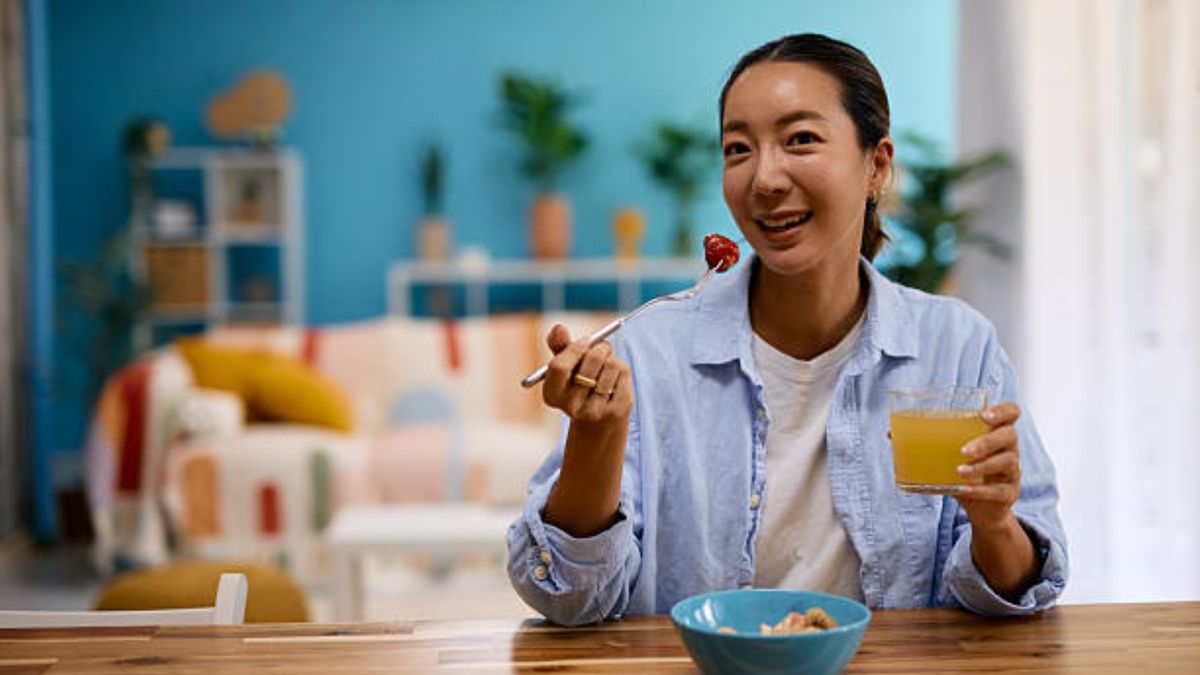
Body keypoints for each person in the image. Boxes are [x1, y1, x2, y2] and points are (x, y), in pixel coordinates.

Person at [507, 33, 1068, 626]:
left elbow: (1021, 591)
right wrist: (598, 436)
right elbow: (565, 596)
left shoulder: (955, 346)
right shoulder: (647, 352)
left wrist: (994, 521)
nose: (764, 179)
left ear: (877, 165)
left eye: (800, 140)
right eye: (738, 149)